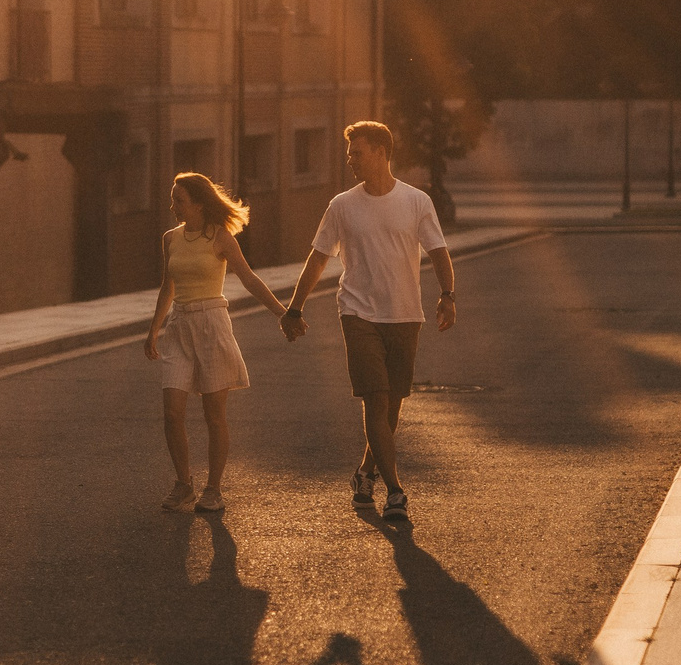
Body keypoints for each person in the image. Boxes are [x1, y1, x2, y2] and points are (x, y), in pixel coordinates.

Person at [279, 121, 457, 521]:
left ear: (380, 152)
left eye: (356, 153)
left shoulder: (416, 201)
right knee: (376, 399)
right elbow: (318, 257)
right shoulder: (342, 205)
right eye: (349, 154)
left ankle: (365, 472)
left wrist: (447, 296)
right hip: (357, 312)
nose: (350, 160)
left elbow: (438, 251)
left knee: (392, 404)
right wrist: (295, 308)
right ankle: (395, 491)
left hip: (405, 314)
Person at [146, 172, 294, 514]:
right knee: (172, 412)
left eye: (179, 200)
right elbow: (168, 286)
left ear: (199, 204)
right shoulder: (170, 238)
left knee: (214, 416)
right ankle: (184, 484)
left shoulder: (221, 238)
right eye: (172, 199)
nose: (173, 206)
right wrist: (153, 330)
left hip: (212, 325)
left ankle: (213, 489)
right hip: (179, 327)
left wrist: (282, 313)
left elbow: (249, 278)